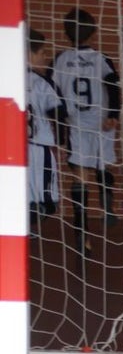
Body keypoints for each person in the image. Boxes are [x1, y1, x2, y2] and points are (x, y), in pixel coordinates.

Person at [53, 7, 121, 243]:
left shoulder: (60, 60)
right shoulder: (100, 59)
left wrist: (59, 124)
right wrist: (114, 113)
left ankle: (81, 230)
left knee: (79, 176)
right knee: (103, 165)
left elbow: (54, 93)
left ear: (66, 34)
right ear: (94, 34)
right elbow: (114, 85)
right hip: (102, 122)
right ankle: (107, 199)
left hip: (76, 126)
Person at [27, 29, 65, 226]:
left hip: (12, 153)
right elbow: (59, 112)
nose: (45, 57)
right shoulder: (41, 83)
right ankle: (23, 229)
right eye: (42, 53)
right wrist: (61, 140)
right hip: (39, 149)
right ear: (29, 55)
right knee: (48, 204)